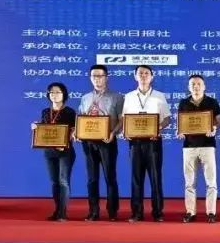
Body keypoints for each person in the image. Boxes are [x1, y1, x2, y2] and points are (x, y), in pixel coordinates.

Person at [121, 65, 171, 222]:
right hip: (135, 142)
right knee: (136, 178)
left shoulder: (159, 96)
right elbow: (124, 119)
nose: (143, 75)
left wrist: (158, 128)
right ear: (135, 76)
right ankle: (137, 212)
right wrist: (125, 131)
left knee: (155, 177)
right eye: (140, 73)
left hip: (153, 142)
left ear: (152, 76)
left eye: (146, 73)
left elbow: (167, 118)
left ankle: (158, 212)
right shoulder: (128, 96)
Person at [76, 64, 123, 221]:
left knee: (110, 177)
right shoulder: (85, 98)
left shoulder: (116, 97)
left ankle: (112, 212)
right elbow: (81, 118)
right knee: (92, 179)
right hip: (89, 142)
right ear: (90, 78)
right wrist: (78, 132)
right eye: (94, 76)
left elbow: (122, 120)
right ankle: (93, 211)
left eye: (100, 76)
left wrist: (113, 133)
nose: (97, 79)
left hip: (107, 141)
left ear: (106, 78)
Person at [178, 74, 220, 223]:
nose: (196, 86)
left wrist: (214, 128)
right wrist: (180, 131)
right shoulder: (183, 103)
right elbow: (181, 123)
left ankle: (211, 212)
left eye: (198, 84)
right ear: (188, 87)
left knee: (211, 182)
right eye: (193, 84)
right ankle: (190, 212)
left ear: (204, 86)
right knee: (189, 182)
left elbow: (219, 121)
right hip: (189, 147)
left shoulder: (212, 102)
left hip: (207, 145)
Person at [31, 82, 77, 221]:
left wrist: (66, 141)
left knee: (63, 181)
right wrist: (36, 127)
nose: (54, 95)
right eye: (51, 92)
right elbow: (45, 129)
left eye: (57, 92)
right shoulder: (46, 111)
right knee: (54, 182)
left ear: (64, 94)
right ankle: (57, 210)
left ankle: (62, 213)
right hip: (49, 152)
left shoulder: (70, 112)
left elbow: (74, 130)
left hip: (65, 151)